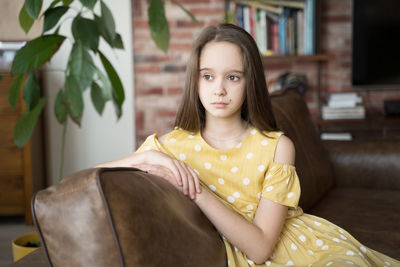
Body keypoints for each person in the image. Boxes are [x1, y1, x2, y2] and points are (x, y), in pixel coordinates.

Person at [97, 24, 399, 267]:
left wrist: (195, 188)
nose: (219, 89)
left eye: (232, 77)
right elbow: (88, 178)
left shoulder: (277, 146)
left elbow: (259, 248)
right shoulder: (170, 146)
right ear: (195, 81)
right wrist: (150, 155)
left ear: (249, 81)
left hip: (307, 250)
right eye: (207, 76)